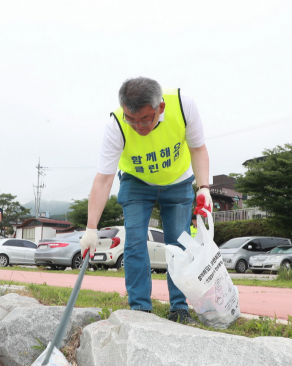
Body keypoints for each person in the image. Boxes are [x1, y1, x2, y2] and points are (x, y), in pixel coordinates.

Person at [79, 77, 212, 324]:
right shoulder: (116, 125)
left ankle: (179, 308)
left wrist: (203, 187)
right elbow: (104, 179)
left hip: (178, 181)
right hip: (136, 182)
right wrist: (91, 227)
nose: (137, 126)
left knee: (179, 243)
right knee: (135, 241)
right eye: (131, 119)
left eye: (145, 119)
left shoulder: (183, 106)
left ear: (160, 107)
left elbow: (198, 148)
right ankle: (140, 308)